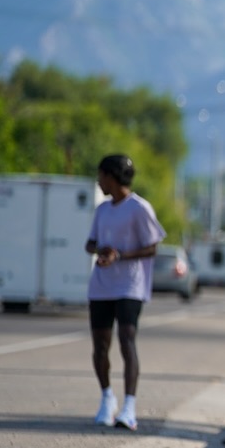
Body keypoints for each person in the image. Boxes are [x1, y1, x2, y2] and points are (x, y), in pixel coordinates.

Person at [85, 154, 166, 431]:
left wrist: (121, 255)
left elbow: (152, 247)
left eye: (101, 176)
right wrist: (102, 252)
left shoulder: (139, 208)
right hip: (102, 285)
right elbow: (90, 244)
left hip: (130, 285)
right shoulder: (102, 210)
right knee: (100, 345)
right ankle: (107, 398)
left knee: (126, 340)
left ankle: (129, 406)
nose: (99, 181)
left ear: (112, 177)